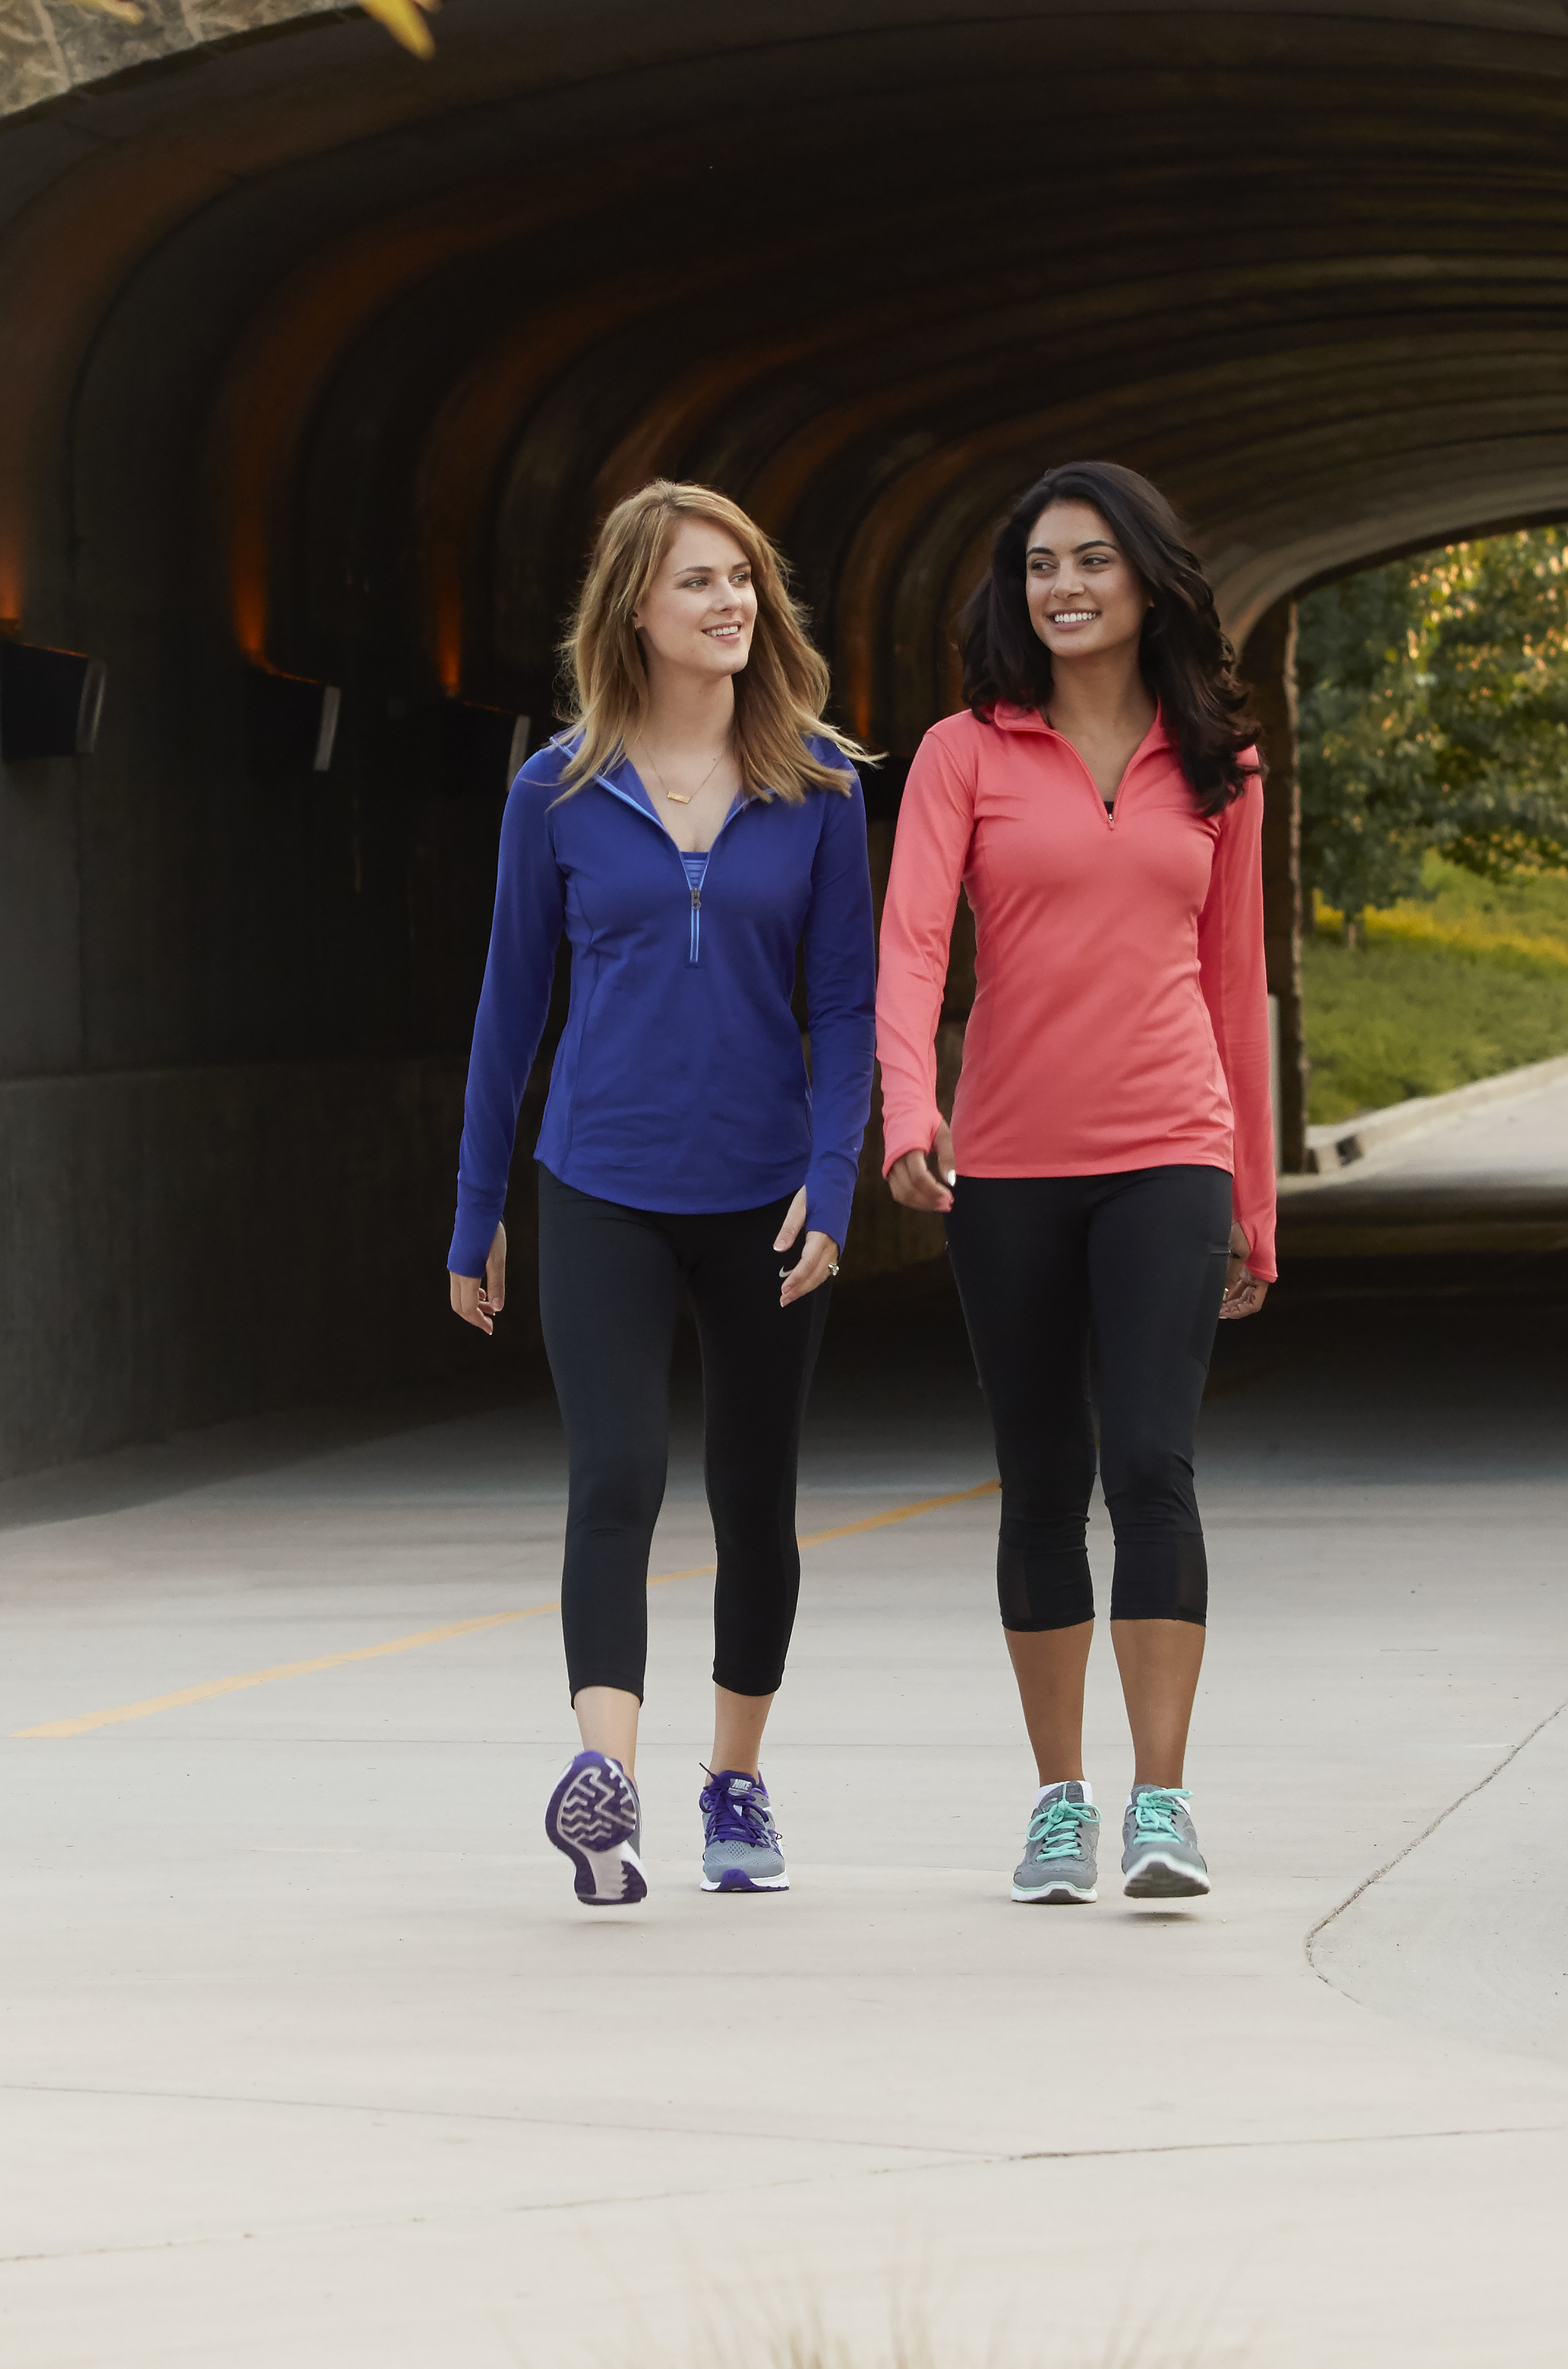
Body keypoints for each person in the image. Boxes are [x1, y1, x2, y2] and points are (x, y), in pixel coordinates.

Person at [448, 481, 875, 1909]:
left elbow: (845, 1007)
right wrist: (476, 1208)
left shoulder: (818, 787)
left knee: (756, 1503)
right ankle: (606, 1788)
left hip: (762, 1196)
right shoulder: (557, 792)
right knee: (616, 1477)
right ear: (636, 605)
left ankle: (735, 1782)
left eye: (745, 580)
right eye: (700, 582)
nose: (732, 604)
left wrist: (831, 1184)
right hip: (602, 1182)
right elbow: (511, 1006)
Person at [873, 457, 1275, 1908]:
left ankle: (1163, 1802)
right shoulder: (962, 756)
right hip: (1014, 1166)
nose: (1065, 586)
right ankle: (1061, 1803)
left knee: (1151, 1467)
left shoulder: (1219, 761)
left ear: (1146, 576)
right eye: (1041, 564)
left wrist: (1255, 1193)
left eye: (1092, 560)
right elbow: (913, 944)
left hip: (1171, 1145)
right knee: (1042, 1483)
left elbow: (1240, 987)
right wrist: (909, 1103)